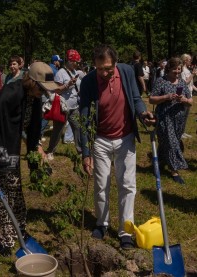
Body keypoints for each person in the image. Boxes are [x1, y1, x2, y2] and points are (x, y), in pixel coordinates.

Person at [0, 62, 58, 256]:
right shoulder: (12, 93)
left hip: (10, 149)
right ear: (32, 82)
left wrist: (36, 148)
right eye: (42, 88)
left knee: (15, 190)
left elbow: (33, 129)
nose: (44, 93)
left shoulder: (33, 98)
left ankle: (18, 230)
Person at [80, 44, 154, 249]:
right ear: (94, 64)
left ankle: (125, 231)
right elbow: (84, 119)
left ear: (115, 63)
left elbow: (136, 99)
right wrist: (86, 153)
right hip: (101, 140)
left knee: (127, 184)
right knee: (101, 184)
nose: (104, 73)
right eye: (100, 68)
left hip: (125, 137)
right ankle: (102, 223)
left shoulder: (127, 72)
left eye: (108, 68)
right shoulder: (88, 82)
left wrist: (143, 114)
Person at [149, 57, 193, 185]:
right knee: (172, 142)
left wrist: (184, 100)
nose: (177, 72)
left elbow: (191, 102)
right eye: (175, 70)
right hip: (164, 117)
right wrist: (166, 97)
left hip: (179, 119)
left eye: (179, 70)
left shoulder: (182, 83)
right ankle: (175, 170)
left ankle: (158, 162)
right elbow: (151, 99)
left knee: (167, 141)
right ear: (168, 69)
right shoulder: (161, 81)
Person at [46, 49, 82, 160]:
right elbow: (57, 90)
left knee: (77, 128)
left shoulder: (75, 72)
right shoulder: (61, 73)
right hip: (63, 107)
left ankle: (80, 151)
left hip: (74, 107)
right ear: (70, 61)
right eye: (76, 62)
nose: (77, 64)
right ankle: (50, 151)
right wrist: (68, 85)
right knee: (58, 130)